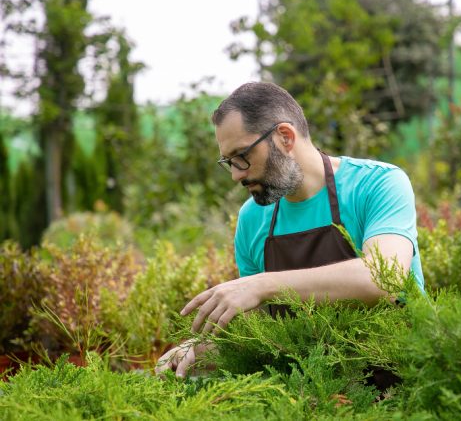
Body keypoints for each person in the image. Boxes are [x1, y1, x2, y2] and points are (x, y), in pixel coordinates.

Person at [155, 82, 424, 377]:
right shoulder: (252, 219)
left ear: (285, 137)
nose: (236, 175)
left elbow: (384, 279)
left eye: (241, 156)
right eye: (228, 162)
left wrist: (263, 284)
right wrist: (198, 349)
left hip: (402, 385)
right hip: (308, 395)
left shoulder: (378, 185)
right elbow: (261, 333)